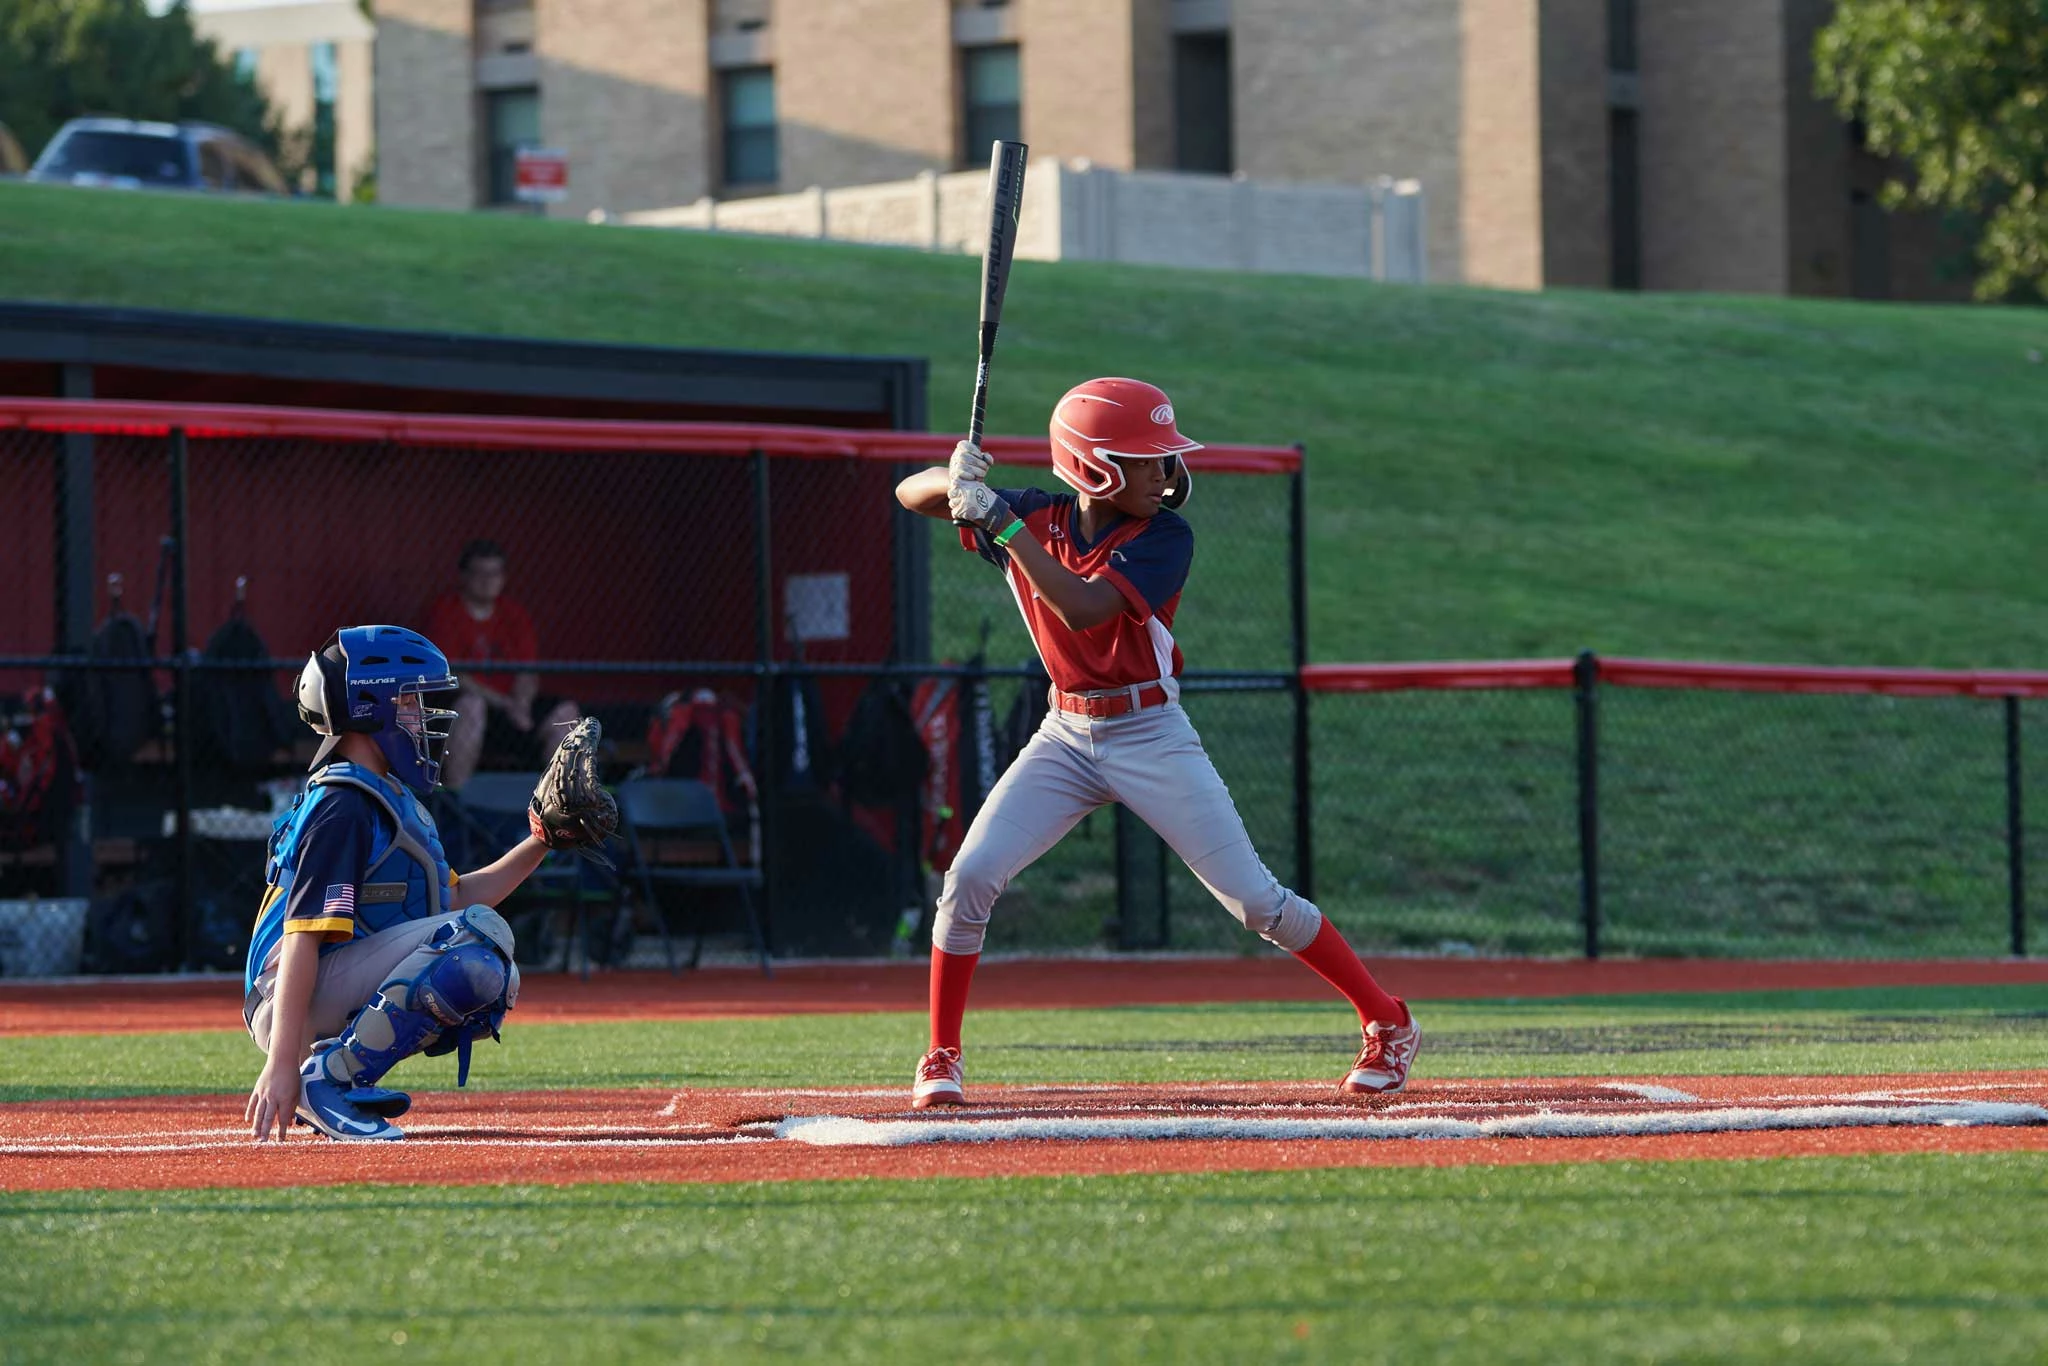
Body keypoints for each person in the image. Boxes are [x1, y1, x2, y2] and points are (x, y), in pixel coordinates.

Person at [893, 377, 1419, 1108]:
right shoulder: (1034, 516)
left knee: (1257, 904)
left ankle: (1388, 1020)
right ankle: (941, 1055)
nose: (1164, 472)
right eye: (1144, 460)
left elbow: (1083, 609)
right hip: (1064, 733)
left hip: (1149, 731)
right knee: (969, 878)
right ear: (1092, 467)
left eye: (1164, 457)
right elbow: (906, 495)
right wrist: (954, 482)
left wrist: (999, 525)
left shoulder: (1164, 537)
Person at [242, 625, 556, 1142]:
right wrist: (280, 1064)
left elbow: (455, 899)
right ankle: (324, 1083)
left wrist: (543, 840)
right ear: (371, 706)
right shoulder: (341, 804)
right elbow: (301, 935)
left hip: (321, 982)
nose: (421, 715)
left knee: (489, 961)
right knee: (474, 942)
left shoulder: (381, 793)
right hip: (287, 1000)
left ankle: (338, 1076)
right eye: (409, 700)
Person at [421, 539, 580, 788]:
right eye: (480, 573)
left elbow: (527, 672)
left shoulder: (513, 614)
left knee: (566, 713)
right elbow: (454, 674)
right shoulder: (445, 611)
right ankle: (458, 801)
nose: (488, 581)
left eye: (494, 573)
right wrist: (507, 705)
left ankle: (557, 804)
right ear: (464, 576)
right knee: (471, 706)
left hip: (512, 710)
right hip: (468, 707)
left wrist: (522, 705)